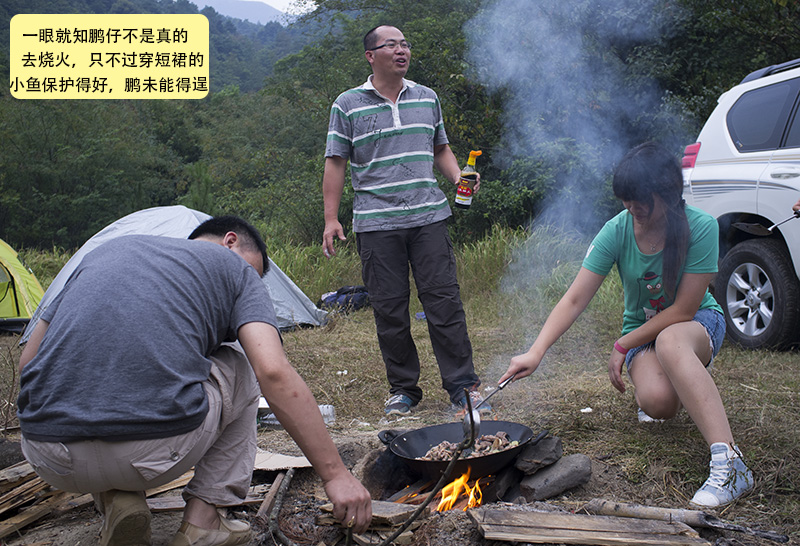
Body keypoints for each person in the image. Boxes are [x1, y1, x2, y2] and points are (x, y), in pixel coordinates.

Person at [17, 216, 372, 546]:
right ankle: (204, 521)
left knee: (103, 371)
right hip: (151, 452)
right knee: (243, 363)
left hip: (48, 453)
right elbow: (273, 372)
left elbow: (28, 362)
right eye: (257, 272)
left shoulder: (104, 254)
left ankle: (117, 500)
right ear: (230, 242)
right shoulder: (234, 267)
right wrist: (335, 475)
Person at [500, 142, 753, 508]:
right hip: (644, 333)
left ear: (668, 194)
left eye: (640, 202)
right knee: (659, 404)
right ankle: (677, 378)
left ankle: (730, 463)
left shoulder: (701, 227)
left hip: (696, 323)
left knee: (671, 342)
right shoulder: (616, 230)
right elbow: (574, 299)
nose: (632, 209)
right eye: (626, 201)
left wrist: (624, 344)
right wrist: (536, 352)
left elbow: (684, 309)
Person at [322, 24, 486, 417]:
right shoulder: (347, 104)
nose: (402, 50)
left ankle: (463, 387)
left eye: (405, 44)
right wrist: (331, 218)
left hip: (428, 216)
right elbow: (336, 161)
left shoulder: (427, 97)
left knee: (444, 302)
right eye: (391, 45)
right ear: (371, 56)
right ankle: (403, 390)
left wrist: (458, 177)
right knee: (389, 309)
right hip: (376, 223)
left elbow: (440, 148)